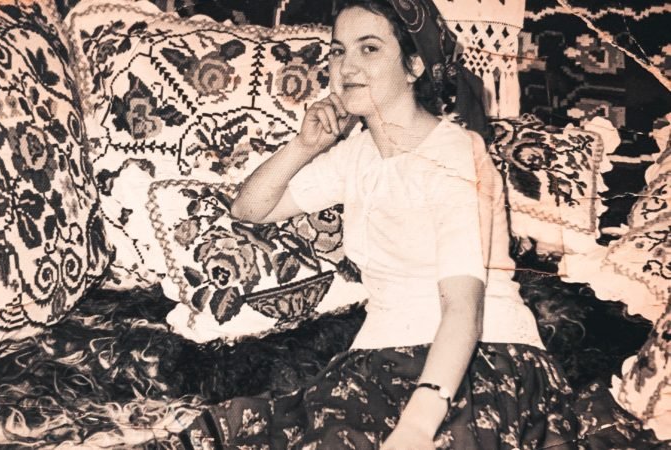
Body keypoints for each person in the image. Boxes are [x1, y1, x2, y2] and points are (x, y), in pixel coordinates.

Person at [181, 0, 577, 448]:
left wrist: (417, 426)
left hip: (476, 359)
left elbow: (464, 307)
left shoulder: (454, 153)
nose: (346, 66)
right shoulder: (356, 155)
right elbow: (249, 209)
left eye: (369, 48)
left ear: (414, 66)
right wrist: (305, 146)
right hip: (379, 357)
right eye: (338, 51)